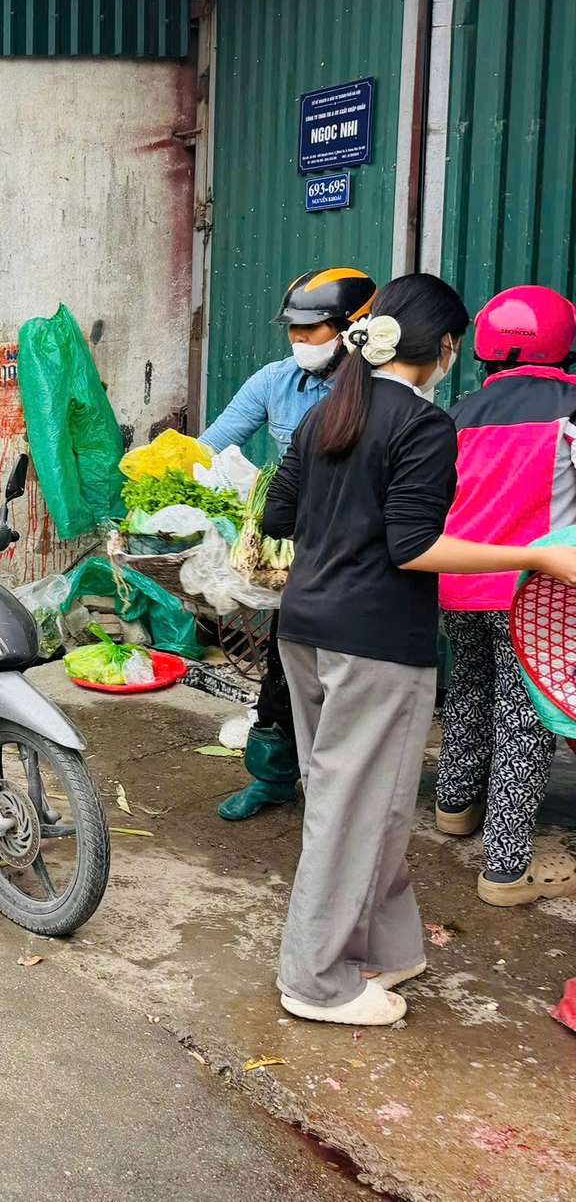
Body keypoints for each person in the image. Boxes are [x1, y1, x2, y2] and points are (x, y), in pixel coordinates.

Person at [261, 273, 576, 1026]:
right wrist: (533, 558)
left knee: (360, 803)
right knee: (355, 813)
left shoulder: (329, 411)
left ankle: (386, 948)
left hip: (304, 629)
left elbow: (279, 512)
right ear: (445, 347)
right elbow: (415, 547)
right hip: (375, 642)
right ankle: (316, 981)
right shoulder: (422, 424)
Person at [203, 267, 380, 821]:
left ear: (358, 327)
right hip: (295, 557)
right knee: (283, 675)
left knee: (354, 682)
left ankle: (348, 793)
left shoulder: (387, 390)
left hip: (361, 559)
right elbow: (210, 447)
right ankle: (273, 778)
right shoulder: (275, 381)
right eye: (293, 330)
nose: (300, 340)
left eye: (314, 329)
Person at [435, 285, 576, 906]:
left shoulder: (456, 413)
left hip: (458, 582)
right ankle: (506, 869)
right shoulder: (571, 411)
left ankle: (454, 808)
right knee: (524, 717)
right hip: (536, 594)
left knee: (468, 683)